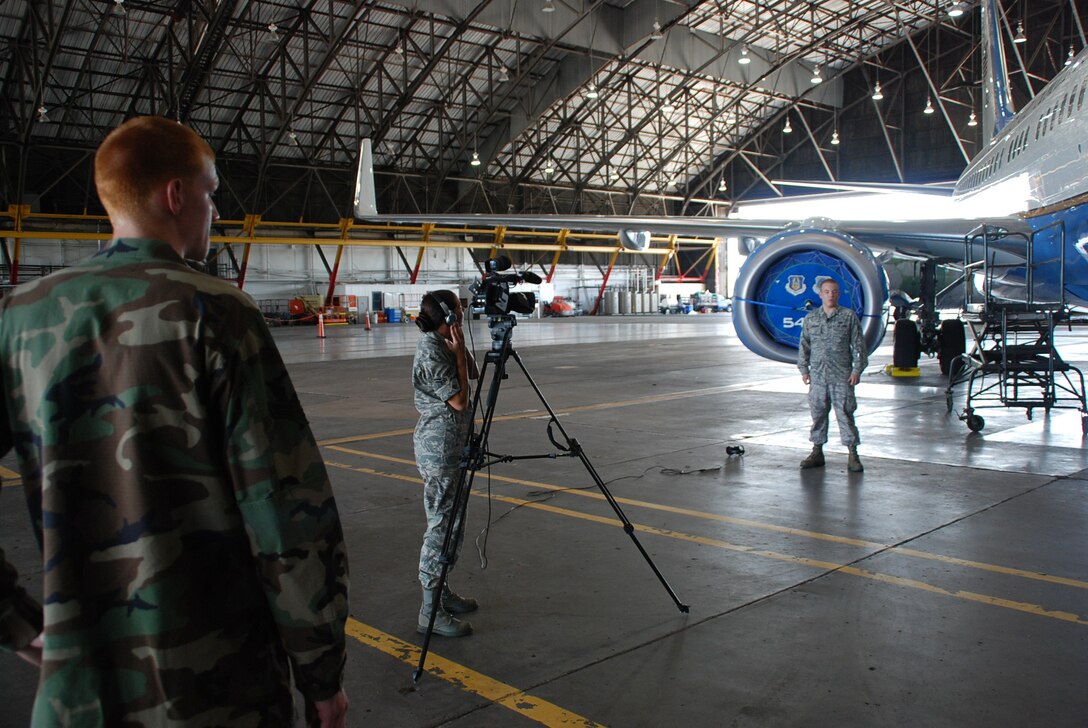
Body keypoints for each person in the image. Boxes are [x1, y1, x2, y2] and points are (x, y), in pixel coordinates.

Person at [0, 116, 350, 726]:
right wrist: (320, 672)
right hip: (218, 689)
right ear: (176, 195)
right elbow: (284, 509)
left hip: (80, 694)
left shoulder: (20, 314)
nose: (215, 210)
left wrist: (16, 621)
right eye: (211, 193)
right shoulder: (217, 312)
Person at [411, 290, 479, 638]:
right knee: (441, 526)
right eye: (458, 310)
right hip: (439, 450)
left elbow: (474, 371)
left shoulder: (446, 344)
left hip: (454, 447)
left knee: (453, 524)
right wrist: (456, 354)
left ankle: (442, 591)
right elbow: (460, 400)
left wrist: (460, 345)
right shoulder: (430, 350)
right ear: (447, 315)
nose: (463, 312)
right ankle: (429, 611)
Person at [797, 277, 867, 472]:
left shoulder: (848, 317)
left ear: (839, 294)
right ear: (820, 294)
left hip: (842, 375)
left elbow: (859, 346)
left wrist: (857, 370)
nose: (830, 295)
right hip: (818, 376)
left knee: (845, 414)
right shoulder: (811, 318)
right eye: (827, 292)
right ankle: (817, 451)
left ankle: (853, 454)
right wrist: (804, 369)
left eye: (834, 292)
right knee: (818, 414)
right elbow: (804, 344)